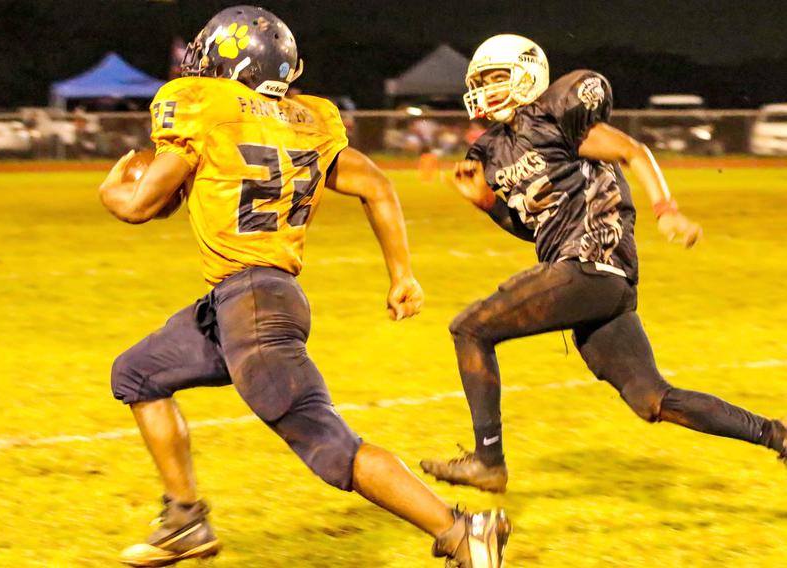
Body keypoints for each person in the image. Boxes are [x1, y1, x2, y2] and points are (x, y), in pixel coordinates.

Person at [97, 6, 510, 567]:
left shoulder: (207, 110)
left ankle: (462, 530)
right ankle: (185, 520)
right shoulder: (307, 121)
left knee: (329, 445)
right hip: (250, 301)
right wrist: (402, 273)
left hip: (253, 308)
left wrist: (113, 193)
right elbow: (377, 185)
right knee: (138, 373)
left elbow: (142, 204)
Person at [420, 34, 787, 493]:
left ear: (529, 74)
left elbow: (632, 151)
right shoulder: (494, 151)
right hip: (587, 280)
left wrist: (666, 210)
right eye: (481, 81)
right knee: (652, 399)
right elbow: (537, 229)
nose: (486, 88)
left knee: (469, 329)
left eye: (497, 77)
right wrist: (489, 206)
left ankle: (488, 461)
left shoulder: (557, 114)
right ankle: (778, 435)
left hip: (592, 263)